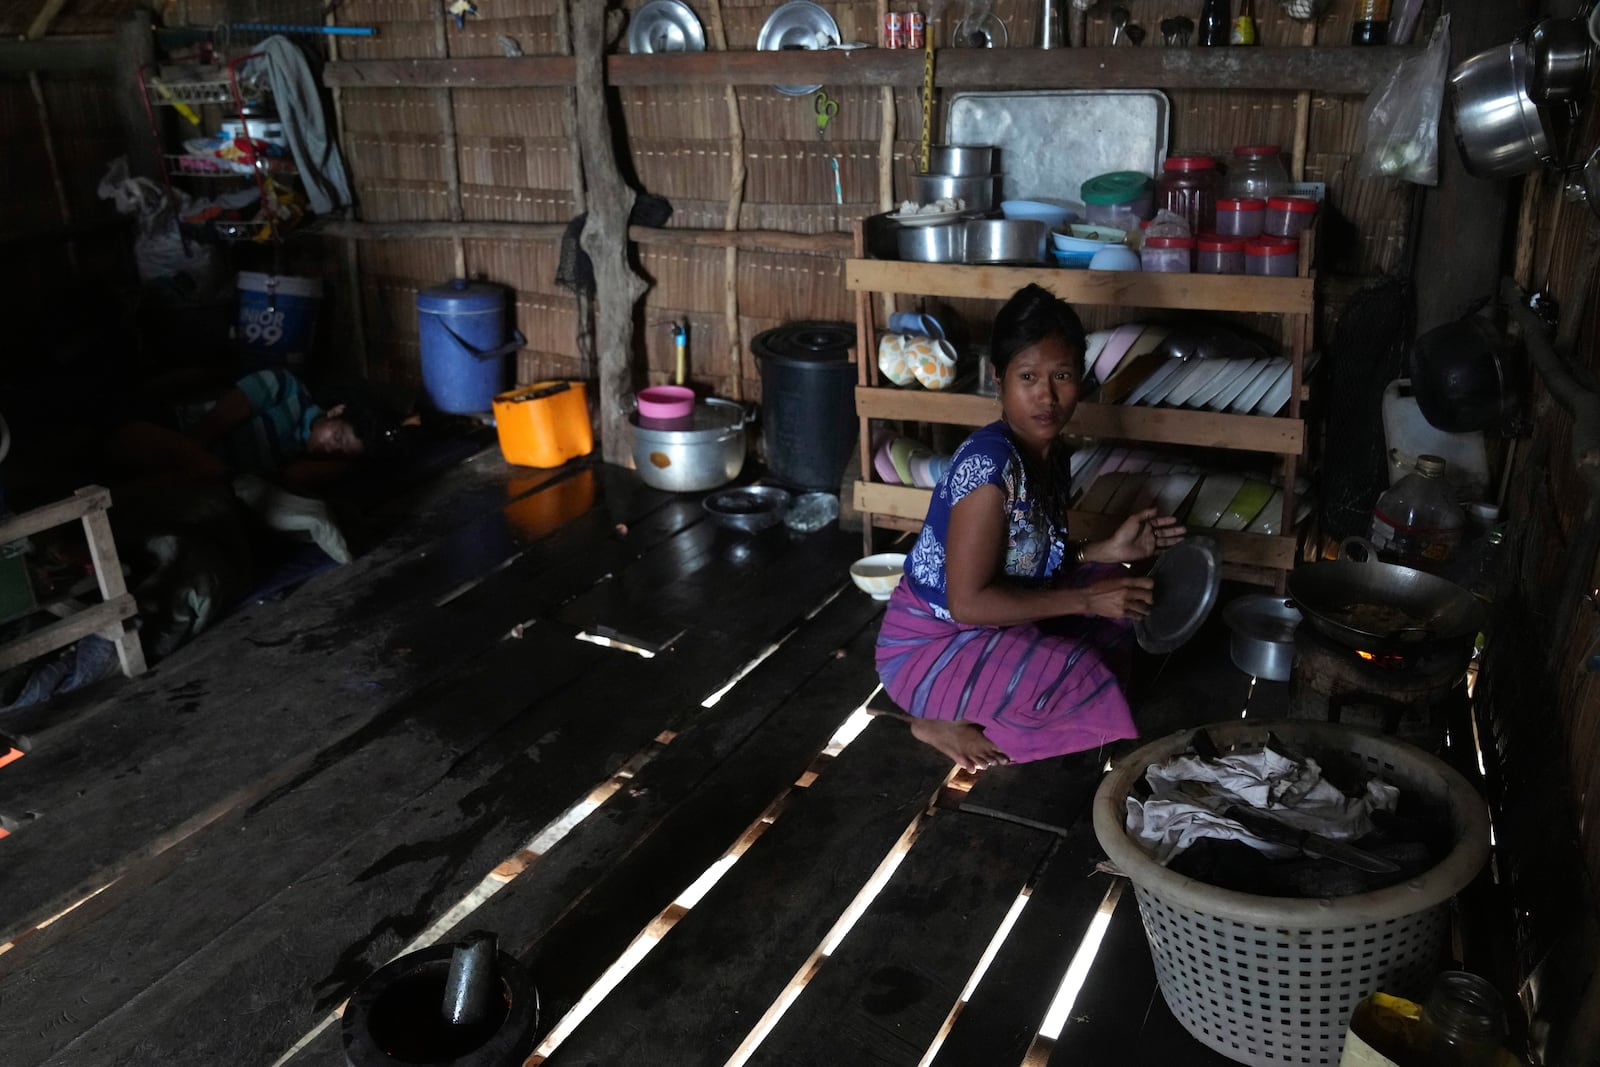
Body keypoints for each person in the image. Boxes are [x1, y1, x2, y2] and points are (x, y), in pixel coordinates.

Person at [875, 284, 1187, 773]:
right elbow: (969, 603)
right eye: (1028, 377)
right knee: (1081, 675)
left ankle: (1013, 699)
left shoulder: (1050, 455)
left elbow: (1027, 557)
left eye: (1061, 375)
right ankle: (934, 720)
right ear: (997, 380)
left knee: (1121, 604)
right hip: (930, 646)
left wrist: (1104, 550)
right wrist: (1086, 601)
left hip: (986, 625)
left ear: (1079, 380)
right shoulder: (990, 468)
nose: (1046, 395)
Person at [111, 367, 376, 496]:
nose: (332, 448)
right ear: (335, 412)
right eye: (338, 437)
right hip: (176, 430)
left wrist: (346, 464)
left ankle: (114, 501)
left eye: (340, 452)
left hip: (201, 477)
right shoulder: (289, 390)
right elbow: (217, 419)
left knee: (210, 476)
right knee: (210, 469)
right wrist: (194, 449)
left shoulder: (297, 459)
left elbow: (287, 479)